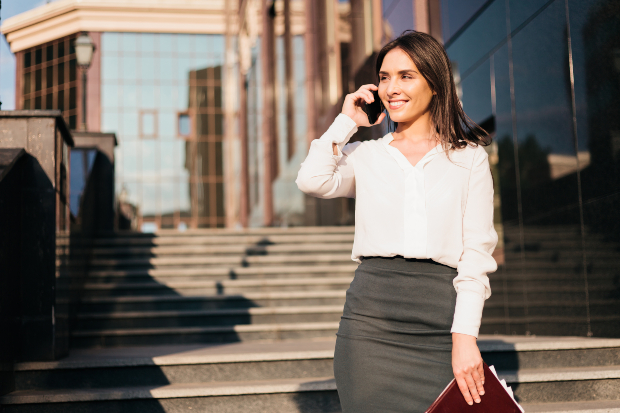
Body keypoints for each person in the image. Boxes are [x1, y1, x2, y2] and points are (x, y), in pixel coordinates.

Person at [295, 30, 498, 412]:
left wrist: (465, 336)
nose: (391, 88)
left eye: (406, 76)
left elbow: (476, 255)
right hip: (370, 325)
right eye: (385, 77)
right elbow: (311, 179)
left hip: (441, 321)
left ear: (436, 84)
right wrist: (346, 121)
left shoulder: (469, 158)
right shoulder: (365, 155)